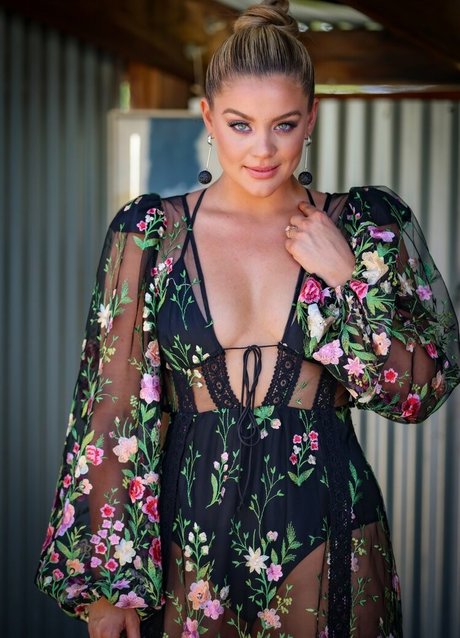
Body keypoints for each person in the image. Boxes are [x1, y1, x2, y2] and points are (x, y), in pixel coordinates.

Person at [35, 1, 460, 637]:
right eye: (240, 124)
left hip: (330, 539)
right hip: (185, 548)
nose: (263, 150)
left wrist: (347, 278)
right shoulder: (150, 236)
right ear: (209, 117)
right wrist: (107, 587)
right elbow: (110, 406)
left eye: (284, 125)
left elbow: (419, 392)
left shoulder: (362, 226)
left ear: (311, 118)